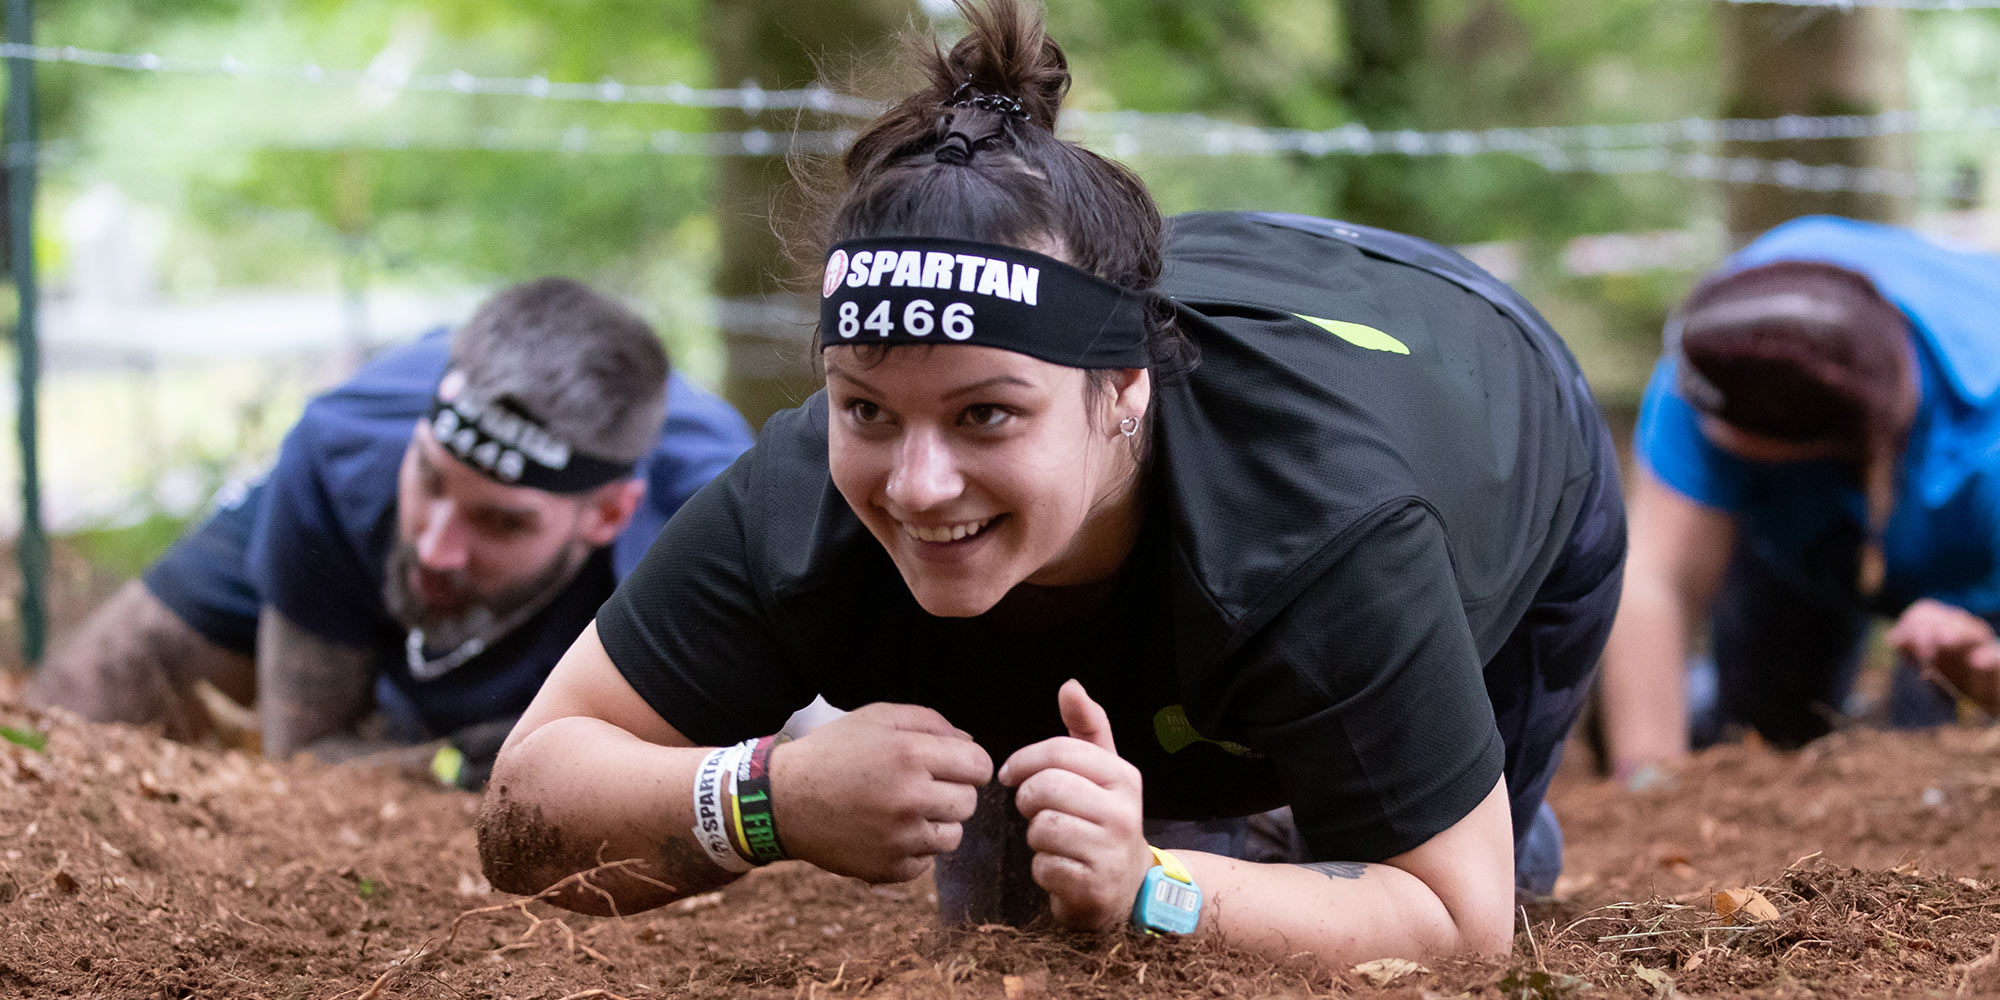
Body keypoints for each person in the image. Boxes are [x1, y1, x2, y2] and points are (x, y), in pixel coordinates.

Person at [475, 0, 1623, 963]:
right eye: (865, 406)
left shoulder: (1323, 531)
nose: (918, 484)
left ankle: (1345, 794)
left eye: (986, 413)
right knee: (1020, 933)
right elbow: (528, 804)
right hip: (1209, 399)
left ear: (1122, 389)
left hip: (1485, 400)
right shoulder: (797, 506)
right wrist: (765, 792)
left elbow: (1448, 919)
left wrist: (1157, 883)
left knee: (1397, 907)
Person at [28, 278, 754, 787]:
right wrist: (431, 767)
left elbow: (744, 751)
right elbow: (305, 756)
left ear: (607, 514)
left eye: (499, 519)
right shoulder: (342, 446)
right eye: (433, 480)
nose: (436, 546)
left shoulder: (716, 518)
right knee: (57, 722)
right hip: (353, 500)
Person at [1598, 216, 2000, 784]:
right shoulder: (1733, 347)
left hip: (1973, 555)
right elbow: (1655, 579)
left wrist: (1987, 680)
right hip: (1798, 543)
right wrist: (1647, 780)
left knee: (1938, 757)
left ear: (1815, 444)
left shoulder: (1988, 446)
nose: (1686, 416)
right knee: (1760, 733)